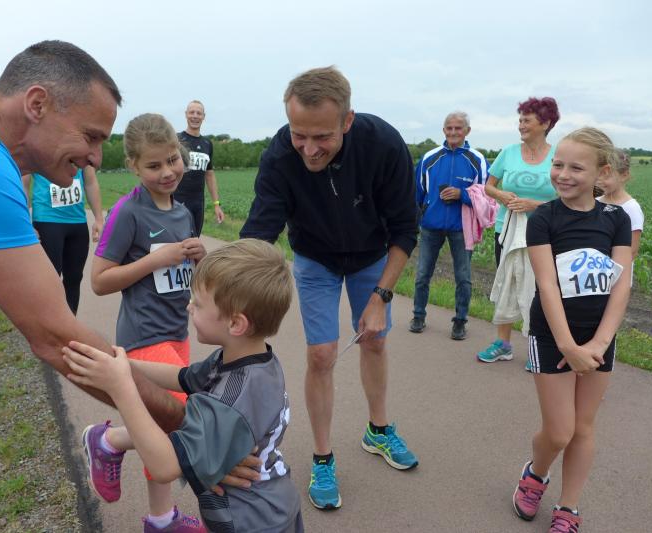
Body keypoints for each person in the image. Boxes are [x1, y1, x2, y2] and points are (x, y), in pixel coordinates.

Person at [0, 41, 254, 533]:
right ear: (37, 104)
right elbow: (56, 338)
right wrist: (197, 431)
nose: (95, 156)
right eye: (91, 136)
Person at [240, 66, 419, 511]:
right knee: (321, 354)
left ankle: (378, 430)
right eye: (299, 134)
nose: (308, 148)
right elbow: (259, 232)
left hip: (371, 255)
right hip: (315, 257)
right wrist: (233, 292)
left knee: (374, 339)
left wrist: (381, 297)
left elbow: (404, 230)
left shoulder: (384, 144)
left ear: (347, 121)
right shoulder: (280, 155)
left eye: (322, 136)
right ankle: (323, 457)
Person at [65, 239, 303, 533]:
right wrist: (124, 364)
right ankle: (109, 441)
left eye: (198, 303)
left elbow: (164, 466)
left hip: (252, 522)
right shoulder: (253, 361)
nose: (189, 306)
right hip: (275, 505)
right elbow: (182, 376)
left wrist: (121, 385)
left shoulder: (230, 401)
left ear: (236, 324)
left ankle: (109, 440)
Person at [89, 113, 206, 531]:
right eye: (154, 165)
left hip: (177, 334)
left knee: (164, 424)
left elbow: (182, 274)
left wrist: (199, 259)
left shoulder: (183, 212)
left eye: (172, 159)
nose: (167, 171)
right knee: (177, 422)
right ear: (134, 166)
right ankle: (110, 440)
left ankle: (160, 516)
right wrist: (155, 260)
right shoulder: (128, 212)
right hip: (143, 336)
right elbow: (99, 280)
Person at [512, 127, 631, 533]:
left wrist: (599, 342)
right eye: (558, 164)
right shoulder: (543, 218)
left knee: (583, 428)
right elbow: (547, 285)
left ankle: (569, 506)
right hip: (552, 337)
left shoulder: (616, 219)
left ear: (602, 172)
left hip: (599, 339)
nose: (563, 174)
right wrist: (568, 345)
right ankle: (535, 474)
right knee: (560, 431)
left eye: (576, 168)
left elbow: (622, 284)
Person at [477, 97, 560, 364]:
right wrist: (501, 195)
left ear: (545, 123)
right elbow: (488, 186)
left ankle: (538, 346)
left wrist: (535, 205)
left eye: (527, 120)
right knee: (508, 283)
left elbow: (572, 196)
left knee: (542, 288)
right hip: (508, 230)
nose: (521, 125)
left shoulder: (558, 156)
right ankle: (503, 344)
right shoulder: (509, 152)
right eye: (520, 120)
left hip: (545, 234)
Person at [408, 111, 488, 340]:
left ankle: (460, 321)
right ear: (444, 130)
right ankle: (418, 316)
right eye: (449, 128)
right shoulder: (430, 157)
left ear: (467, 131)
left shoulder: (477, 160)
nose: (453, 132)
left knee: (463, 277)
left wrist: (462, 194)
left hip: (461, 227)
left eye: (458, 128)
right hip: (431, 226)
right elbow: (417, 192)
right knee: (422, 274)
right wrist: (416, 219)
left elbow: (485, 196)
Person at [22, 165, 103, 314]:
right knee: (50, 280)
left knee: (74, 279)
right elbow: (24, 184)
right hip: (47, 221)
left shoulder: (81, 151)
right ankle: (48, 323)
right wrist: (25, 222)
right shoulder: (38, 150)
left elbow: (90, 182)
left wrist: (99, 218)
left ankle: (70, 324)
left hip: (78, 223)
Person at [174, 100, 224, 236]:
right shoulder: (176, 139)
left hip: (198, 203)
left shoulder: (207, 143)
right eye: (192, 112)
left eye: (198, 113)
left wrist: (216, 204)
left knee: (195, 241)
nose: (195, 116)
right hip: (177, 201)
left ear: (203, 116)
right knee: (178, 241)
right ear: (186, 114)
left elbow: (210, 175)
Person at [596, 149, 644, 264]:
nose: (600, 180)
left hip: (617, 271)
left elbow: (632, 251)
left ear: (624, 175)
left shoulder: (631, 208)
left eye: (607, 176)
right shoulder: (595, 201)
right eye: (598, 174)